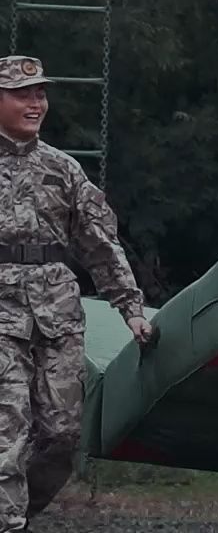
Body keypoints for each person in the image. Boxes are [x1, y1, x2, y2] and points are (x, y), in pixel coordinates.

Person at [0, 55, 153, 530]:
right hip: (0, 315)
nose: (35, 103)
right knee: (8, 431)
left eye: (40, 94)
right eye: (22, 94)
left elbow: (99, 246)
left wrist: (131, 308)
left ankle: (17, 513)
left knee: (62, 436)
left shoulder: (63, 170)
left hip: (57, 317)